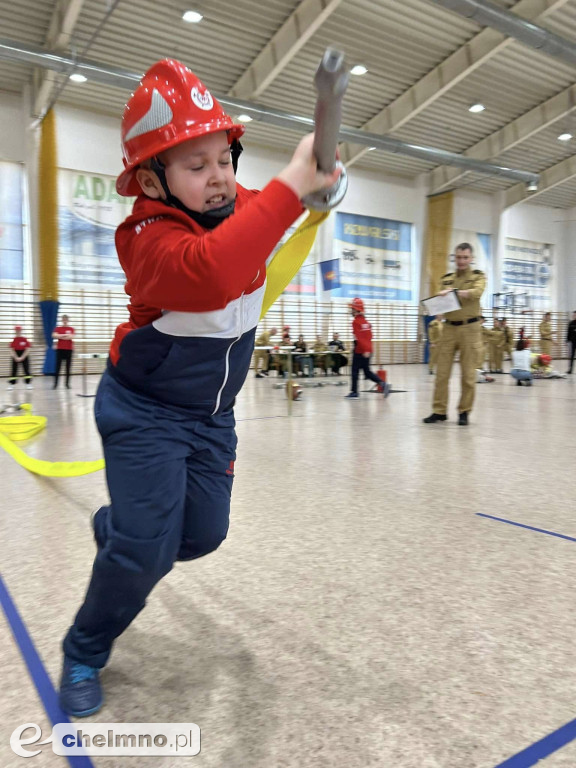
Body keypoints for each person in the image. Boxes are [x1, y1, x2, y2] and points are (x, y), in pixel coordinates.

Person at [58, 58, 341, 717]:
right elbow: (216, 272)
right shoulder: (148, 240)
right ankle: (84, 646)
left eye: (224, 157)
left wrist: (324, 188)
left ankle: (120, 530)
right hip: (145, 413)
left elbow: (272, 219)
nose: (219, 177)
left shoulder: (237, 206)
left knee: (201, 536)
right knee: (146, 553)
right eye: (196, 165)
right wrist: (293, 183)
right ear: (152, 179)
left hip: (213, 417)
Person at [423, 243, 485, 426]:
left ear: (471, 258)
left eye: (465, 257)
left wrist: (454, 292)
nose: (462, 261)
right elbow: (442, 303)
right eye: (458, 257)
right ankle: (439, 411)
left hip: (470, 329)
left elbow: (476, 293)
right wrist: (436, 307)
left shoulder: (478, 277)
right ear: (454, 258)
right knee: (441, 373)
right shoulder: (447, 279)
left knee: (468, 374)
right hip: (449, 329)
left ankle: (464, 412)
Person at [345, 298, 390, 398]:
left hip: (360, 351)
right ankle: (383, 384)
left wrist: (364, 350)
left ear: (357, 310)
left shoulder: (355, 322)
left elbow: (359, 338)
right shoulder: (366, 322)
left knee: (354, 371)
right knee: (367, 372)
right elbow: (369, 336)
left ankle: (354, 392)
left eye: (352, 309)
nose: (351, 311)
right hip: (368, 350)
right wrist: (368, 349)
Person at [52, 314, 75, 389]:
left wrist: (61, 336)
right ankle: (55, 384)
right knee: (57, 367)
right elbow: (54, 335)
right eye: (63, 320)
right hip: (60, 350)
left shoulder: (71, 328)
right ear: (62, 320)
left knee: (68, 367)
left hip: (69, 350)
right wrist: (65, 336)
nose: (65, 321)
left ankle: (67, 384)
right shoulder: (58, 328)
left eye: (66, 320)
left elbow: (71, 337)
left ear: (68, 321)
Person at [7, 325, 32, 390]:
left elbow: (28, 349)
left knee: (26, 370)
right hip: (15, 355)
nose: (18, 331)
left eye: (19, 330)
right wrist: (16, 357)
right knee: (13, 370)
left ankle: (28, 384)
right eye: (16, 330)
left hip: (24, 355)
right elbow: (11, 350)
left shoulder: (24, 339)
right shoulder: (13, 340)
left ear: (21, 331)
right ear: (15, 331)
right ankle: (12, 384)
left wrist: (22, 357)